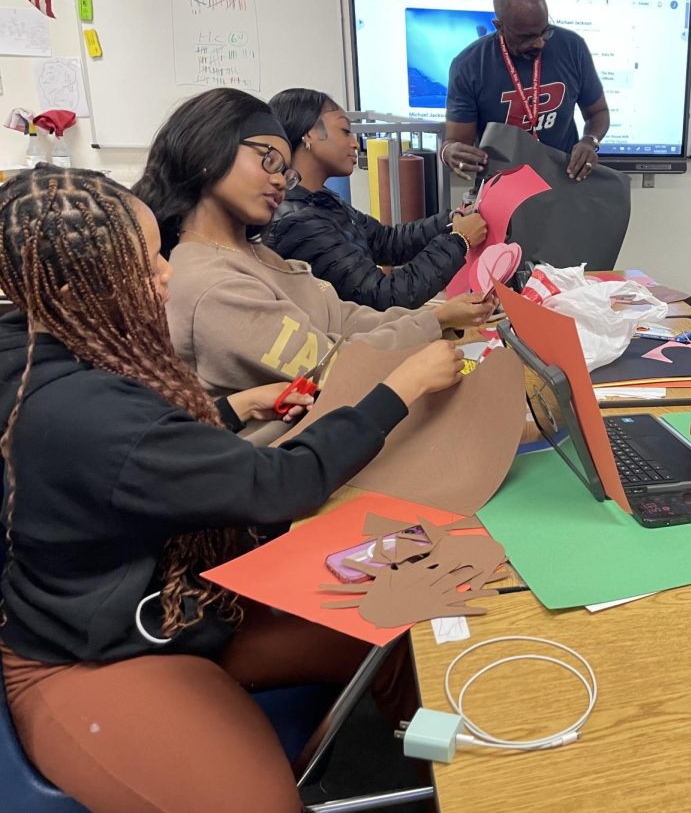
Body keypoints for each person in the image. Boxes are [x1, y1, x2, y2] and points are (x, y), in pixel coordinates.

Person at [0, 165, 466, 811]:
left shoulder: (39, 350)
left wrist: (232, 407)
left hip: (169, 606)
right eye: (143, 268)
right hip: (93, 658)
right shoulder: (85, 411)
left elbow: (121, 464)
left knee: (388, 639)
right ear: (71, 289)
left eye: (158, 255)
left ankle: (450, 779)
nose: (166, 277)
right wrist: (402, 388)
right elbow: (283, 484)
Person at [132, 88, 493, 435]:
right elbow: (335, 365)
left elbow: (343, 315)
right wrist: (432, 320)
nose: (278, 181)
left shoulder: (259, 253)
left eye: (284, 171)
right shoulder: (211, 287)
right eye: (268, 160)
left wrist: (437, 317)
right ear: (210, 154)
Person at [264, 88, 489, 311]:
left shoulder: (321, 201)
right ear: (310, 134)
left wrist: (451, 220)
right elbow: (384, 296)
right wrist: (460, 240)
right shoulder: (298, 222)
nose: (354, 143)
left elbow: (386, 241)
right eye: (344, 131)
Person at [441, 0, 609, 183]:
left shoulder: (572, 47)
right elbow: (457, 143)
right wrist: (449, 153)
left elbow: (598, 113)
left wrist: (589, 141)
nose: (539, 43)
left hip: (563, 188)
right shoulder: (469, 65)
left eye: (544, 32)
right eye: (527, 37)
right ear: (499, 26)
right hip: (501, 191)